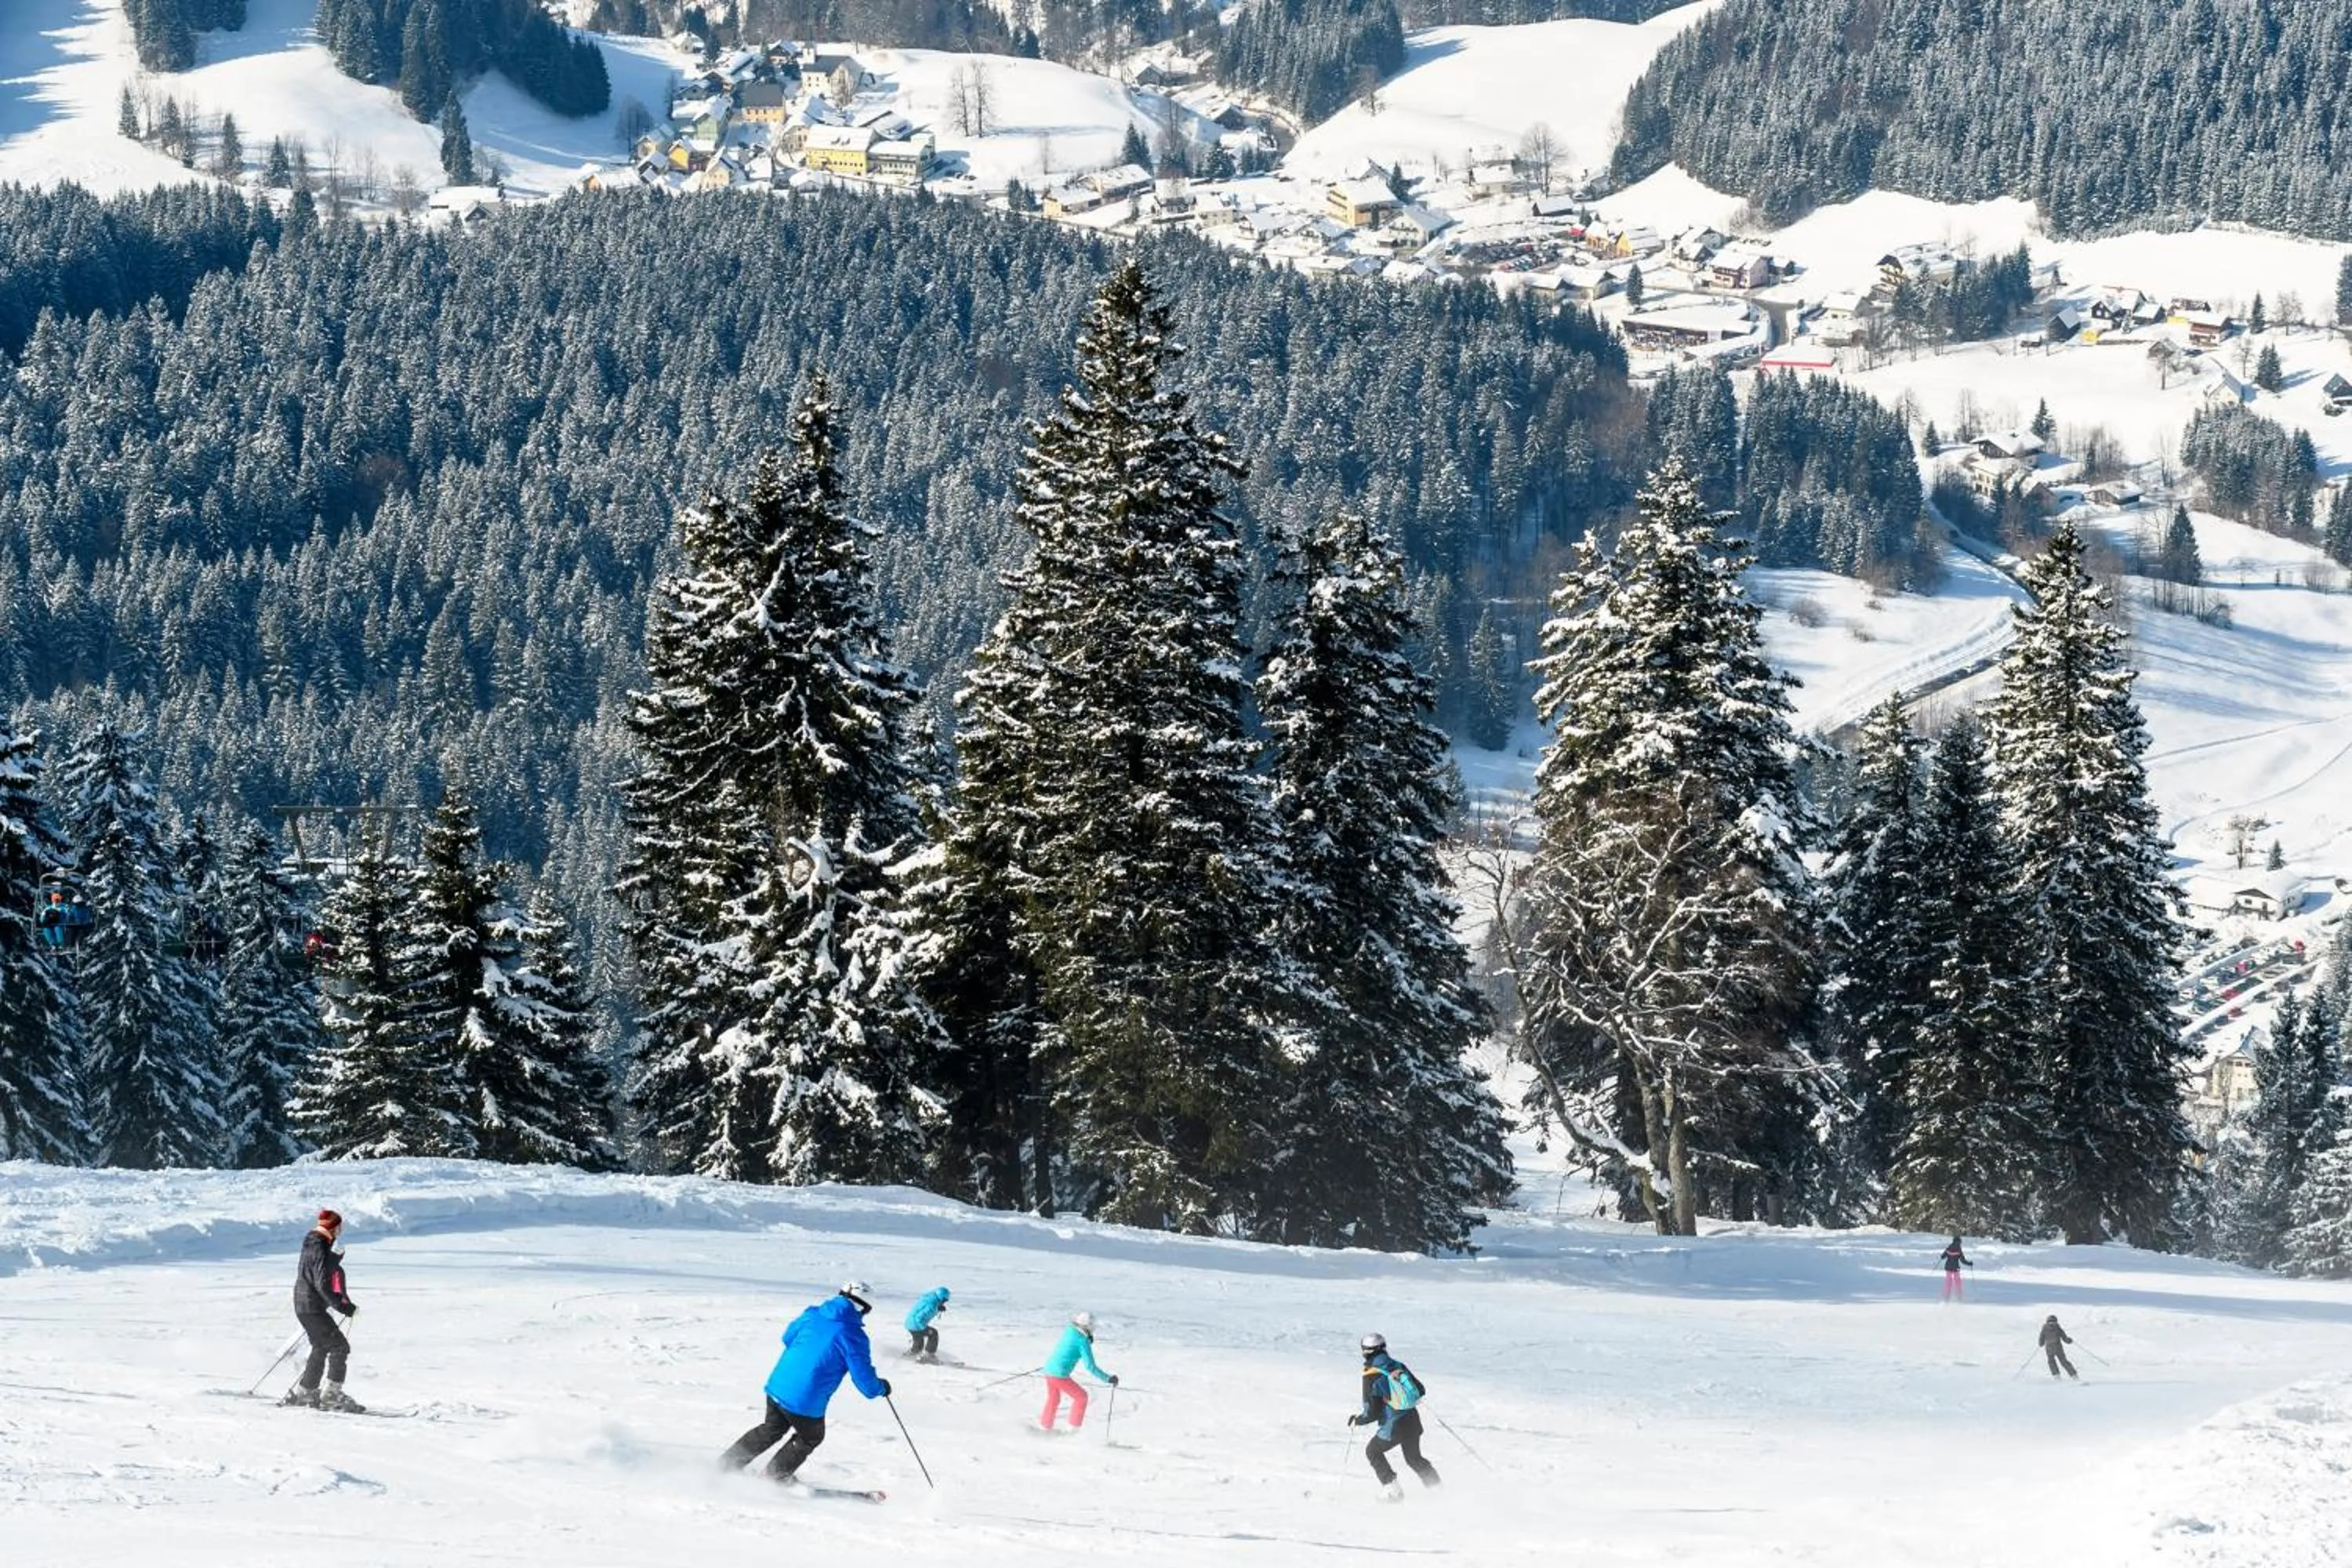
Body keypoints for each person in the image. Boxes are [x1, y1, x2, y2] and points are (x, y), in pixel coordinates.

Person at [720, 1283, 891, 1483]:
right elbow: (865, 1383)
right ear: (863, 1307)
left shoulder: (812, 1314)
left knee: (771, 1428)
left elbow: (787, 1338)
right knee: (810, 1437)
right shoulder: (852, 1335)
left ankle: (727, 1464)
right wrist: (881, 1387)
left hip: (778, 1386)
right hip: (805, 1399)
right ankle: (773, 1478)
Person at [285, 1209, 363, 1412]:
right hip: (312, 1307)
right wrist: (343, 1306)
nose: (341, 1231)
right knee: (340, 1347)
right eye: (340, 1227)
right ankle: (331, 1395)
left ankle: (307, 1390)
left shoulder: (313, 1243)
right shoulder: (319, 1246)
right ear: (334, 1228)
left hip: (305, 1305)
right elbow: (322, 1282)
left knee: (321, 1346)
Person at [1352, 1333, 1438, 1501]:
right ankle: (1437, 1490)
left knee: (1373, 1451)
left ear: (1366, 1351)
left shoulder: (1371, 1374)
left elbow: (1372, 1412)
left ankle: (1393, 1491)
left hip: (1394, 1426)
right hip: (1412, 1421)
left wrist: (1357, 1419)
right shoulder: (1398, 1366)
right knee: (1414, 1458)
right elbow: (1420, 1390)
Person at [1039, 1310, 1116, 1431]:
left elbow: (1067, 1348)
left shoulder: (1070, 1331)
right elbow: (1090, 1366)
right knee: (1081, 1397)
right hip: (1059, 1374)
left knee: (1054, 1399)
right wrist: (1108, 1378)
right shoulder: (1082, 1341)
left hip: (1049, 1369)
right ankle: (1073, 1430)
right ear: (1087, 1327)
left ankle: (1044, 1427)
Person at [904, 1286, 950, 1363]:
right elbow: (919, 1317)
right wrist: (923, 1328)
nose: (945, 1302)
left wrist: (938, 1308)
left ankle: (911, 1354)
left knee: (919, 1344)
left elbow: (925, 1309)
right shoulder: (932, 1305)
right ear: (941, 1298)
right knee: (933, 1333)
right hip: (916, 1324)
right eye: (944, 1300)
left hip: (910, 1323)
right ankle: (929, 1355)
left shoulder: (930, 1298)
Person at [2038, 1315, 2078, 1380]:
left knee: (2051, 1362)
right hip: (2058, 1348)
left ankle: (2056, 1376)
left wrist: (2041, 1344)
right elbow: (2065, 1338)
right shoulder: (2057, 1328)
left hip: (2049, 1349)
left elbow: (2041, 1339)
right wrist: (2069, 1340)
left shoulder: (2044, 1329)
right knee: (2064, 1361)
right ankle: (2074, 1375)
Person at [1940, 1236, 1973, 1302]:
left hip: (1948, 1267)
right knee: (1957, 1281)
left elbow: (1943, 1256)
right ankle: (1958, 1296)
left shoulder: (1949, 1247)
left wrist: (1944, 1255)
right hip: (1956, 1268)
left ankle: (1947, 1297)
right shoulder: (1959, 1249)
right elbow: (1963, 1261)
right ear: (1959, 1242)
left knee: (1948, 1282)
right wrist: (1969, 1263)